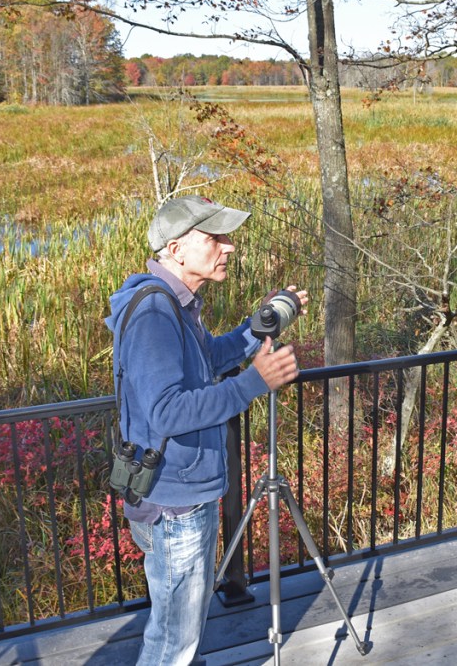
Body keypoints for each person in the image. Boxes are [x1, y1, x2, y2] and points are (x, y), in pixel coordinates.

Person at [105, 194, 307, 666]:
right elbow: (168, 412)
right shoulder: (156, 312)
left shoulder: (176, 303)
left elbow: (205, 361)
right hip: (175, 507)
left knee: (180, 629)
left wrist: (257, 327)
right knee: (173, 643)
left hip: (179, 497)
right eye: (214, 238)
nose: (229, 247)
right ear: (176, 249)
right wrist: (256, 381)